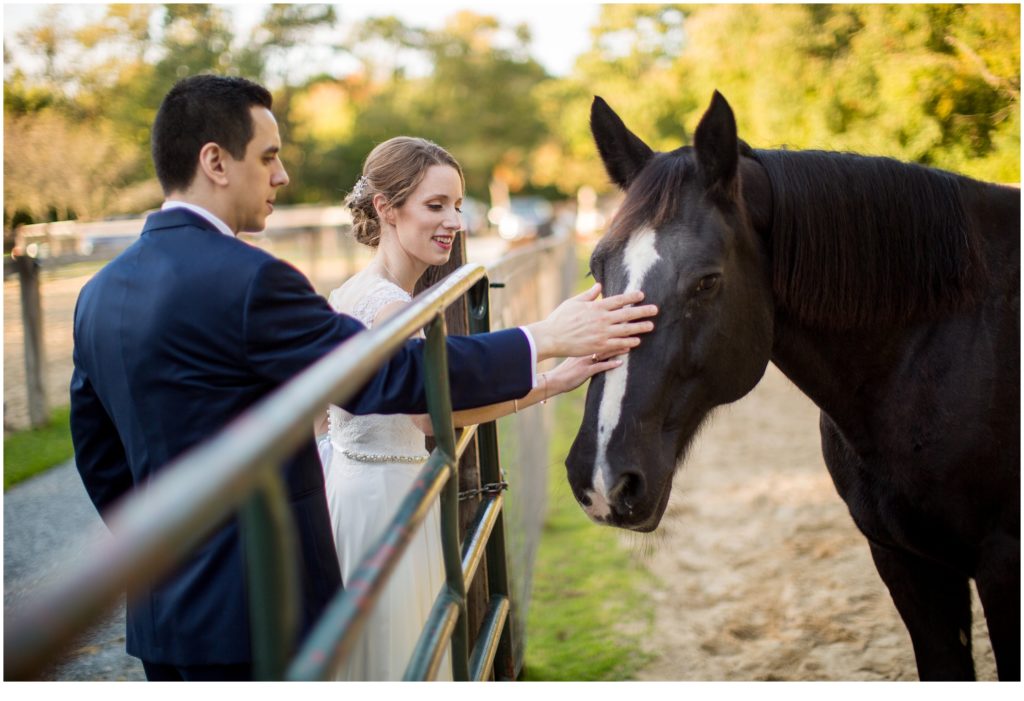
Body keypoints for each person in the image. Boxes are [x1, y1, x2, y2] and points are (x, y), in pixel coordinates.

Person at [69, 74, 657, 681]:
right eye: (268, 157)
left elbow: (99, 454)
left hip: (165, 619)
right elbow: (394, 376)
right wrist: (546, 337)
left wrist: (163, 558)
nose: (282, 176)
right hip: (264, 612)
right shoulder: (251, 280)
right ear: (215, 161)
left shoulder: (99, 294)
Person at [319, 137, 623, 680]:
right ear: (386, 209)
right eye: (435, 206)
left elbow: (429, 408)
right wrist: (548, 339)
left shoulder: (362, 291)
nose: (454, 222)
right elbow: (425, 410)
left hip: (375, 490)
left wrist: (551, 380)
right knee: (399, 661)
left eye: (457, 206)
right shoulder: (385, 305)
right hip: (383, 505)